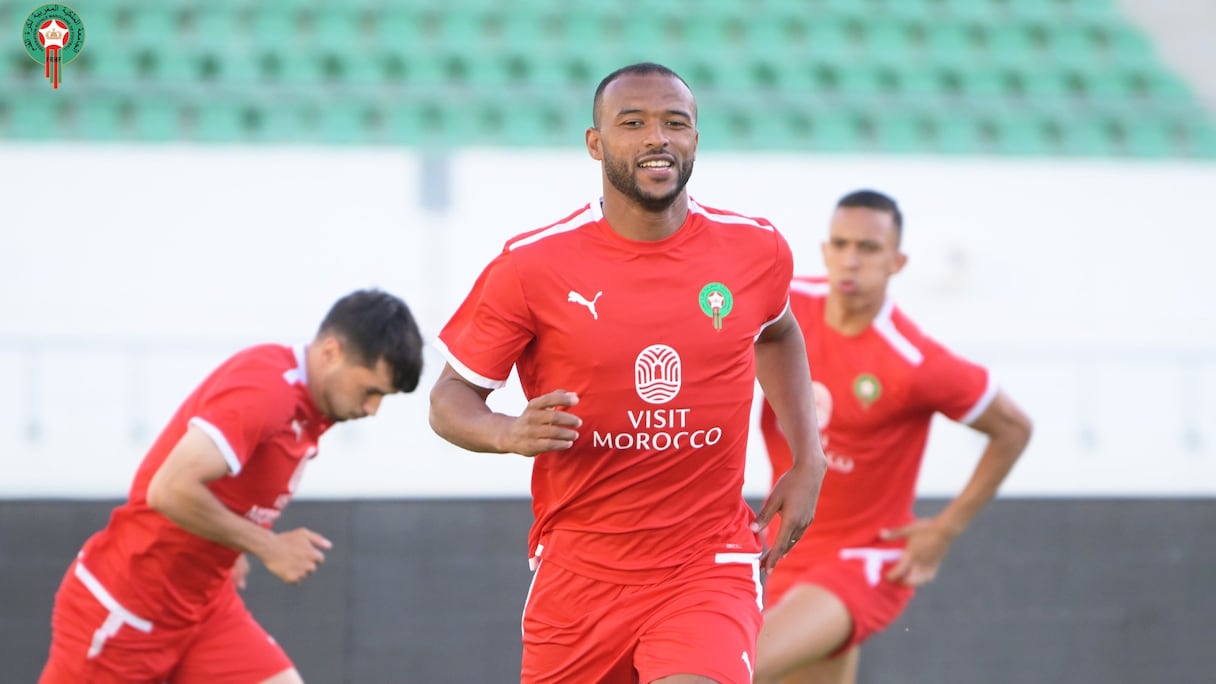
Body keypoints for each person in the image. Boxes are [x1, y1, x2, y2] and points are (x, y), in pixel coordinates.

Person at [428, 62, 827, 684]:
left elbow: (777, 332)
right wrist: (506, 431)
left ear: (695, 138)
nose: (656, 138)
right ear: (596, 143)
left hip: (707, 561)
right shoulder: (531, 266)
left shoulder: (756, 249)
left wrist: (807, 457)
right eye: (632, 123)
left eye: (675, 123)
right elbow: (450, 398)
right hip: (578, 574)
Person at [38, 288, 424, 684]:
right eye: (371, 391)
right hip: (124, 613)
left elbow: (233, 486)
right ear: (330, 353)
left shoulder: (312, 409)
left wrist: (230, 545)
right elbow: (168, 489)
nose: (373, 409)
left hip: (202, 613)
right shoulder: (266, 391)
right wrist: (267, 546)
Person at [752, 190, 1033, 684]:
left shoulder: (913, 361)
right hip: (784, 549)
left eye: (869, 247)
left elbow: (1014, 429)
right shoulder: (782, 310)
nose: (851, 260)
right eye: (840, 244)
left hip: (861, 560)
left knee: (733, 667)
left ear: (897, 261)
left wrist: (944, 529)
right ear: (823, 250)